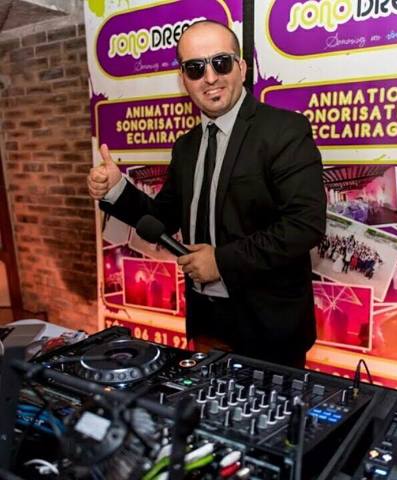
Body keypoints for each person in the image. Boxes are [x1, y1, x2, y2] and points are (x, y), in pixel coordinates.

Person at [87, 20, 326, 367]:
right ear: (183, 79)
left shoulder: (284, 130)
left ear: (241, 67)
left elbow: (305, 225)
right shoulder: (186, 147)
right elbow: (162, 218)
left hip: (270, 329)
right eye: (196, 69)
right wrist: (117, 189)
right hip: (206, 323)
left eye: (221, 63)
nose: (210, 78)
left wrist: (221, 261)